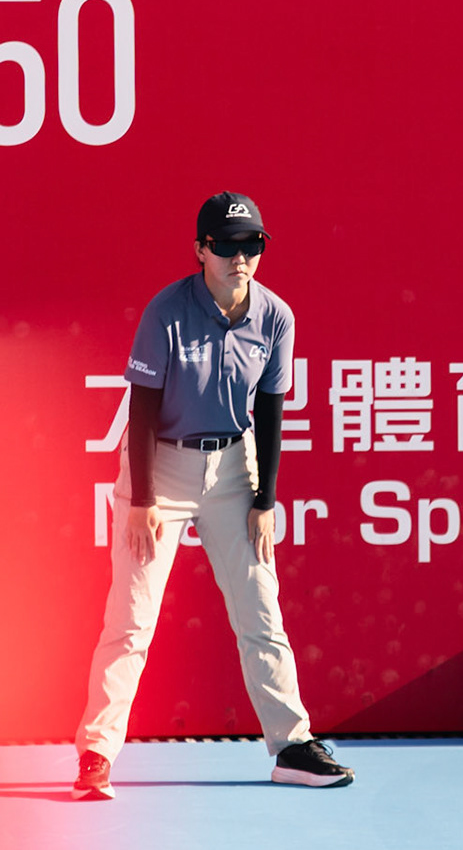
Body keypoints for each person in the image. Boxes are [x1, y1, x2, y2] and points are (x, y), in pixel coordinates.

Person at [71, 191, 352, 800]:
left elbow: (271, 411)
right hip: (160, 471)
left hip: (235, 468)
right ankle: (96, 752)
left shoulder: (276, 317)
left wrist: (264, 501)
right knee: (132, 619)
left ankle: (293, 745)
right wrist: (143, 499)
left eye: (251, 245)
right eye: (226, 246)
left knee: (261, 610)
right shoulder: (166, 313)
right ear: (201, 250)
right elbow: (142, 411)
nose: (240, 258)